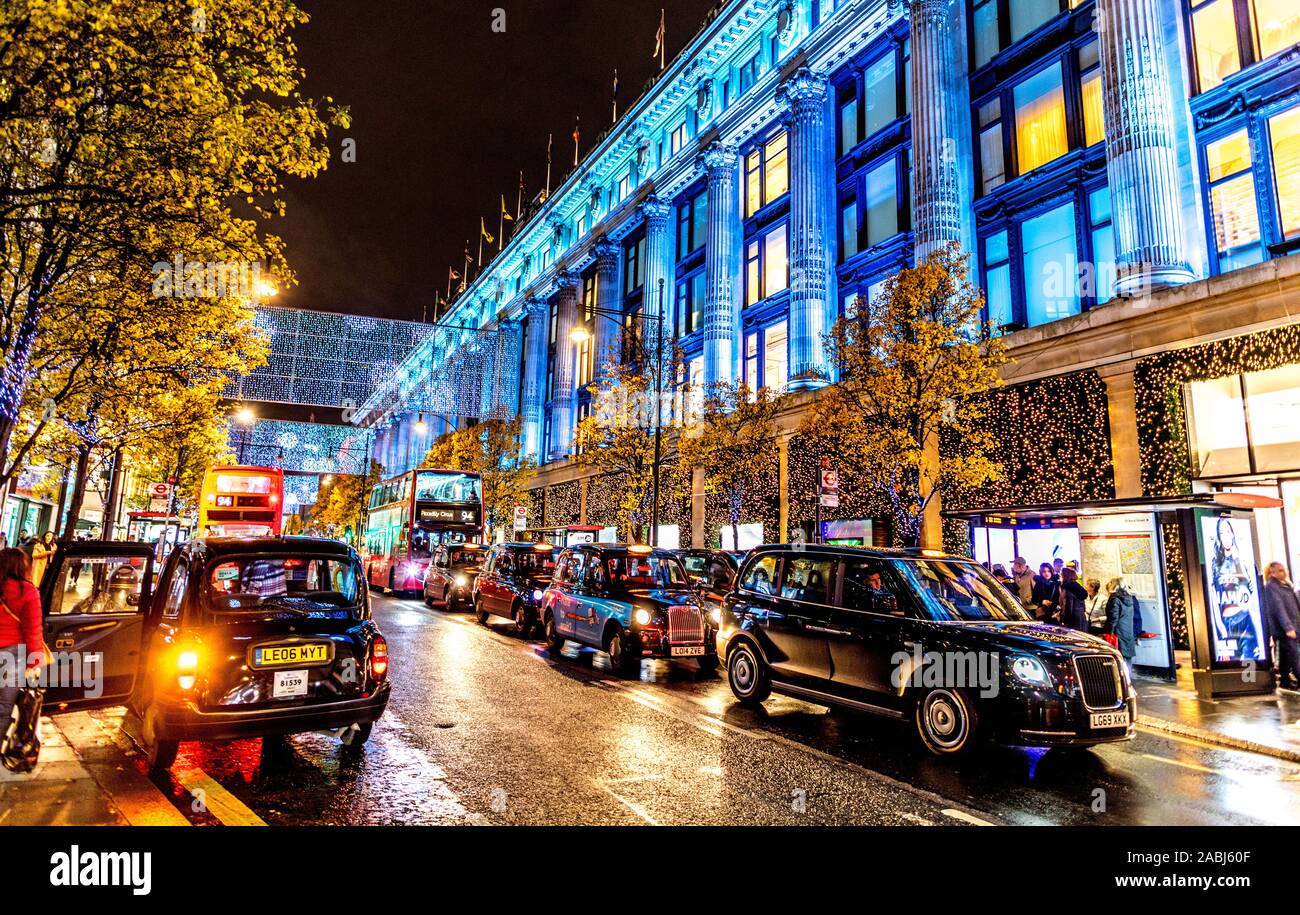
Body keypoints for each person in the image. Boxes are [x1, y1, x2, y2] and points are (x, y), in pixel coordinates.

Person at [0, 548, 46, 734]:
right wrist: (34, 661)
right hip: (11, 655)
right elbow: (33, 629)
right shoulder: (27, 591)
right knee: (3, 707)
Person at [1263, 562, 1300, 691]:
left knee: (1286, 655)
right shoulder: (1271, 587)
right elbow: (1279, 608)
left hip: (1293, 626)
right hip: (1285, 629)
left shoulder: (1285, 585)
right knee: (1294, 654)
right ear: (1272, 573)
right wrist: (1288, 627)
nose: (1284, 572)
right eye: (1280, 570)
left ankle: (1285, 680)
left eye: (1284, 569)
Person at [1106, 576, 1138, 671]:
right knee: (1127, 656)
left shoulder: (1115, 599)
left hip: (1118, 631)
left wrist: (1109, 632)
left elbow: (1113, 618)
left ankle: (1120, 679)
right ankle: (1128, 677)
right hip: (1128, 630)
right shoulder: (1129, 597)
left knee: (1118, 656)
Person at [1058, 566, 1088, 631]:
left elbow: (1068, 606)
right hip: (1080, 617)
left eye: (1061, 575)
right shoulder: (1077, 586)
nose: (1060, 577)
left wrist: (1065, 620)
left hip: (1072, 620)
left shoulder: (1068, 587)